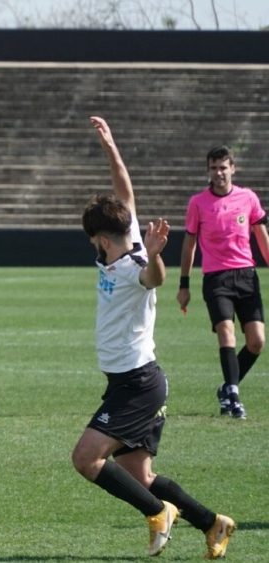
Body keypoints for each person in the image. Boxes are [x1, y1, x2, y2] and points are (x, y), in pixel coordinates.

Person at [71, 117, 234, 559]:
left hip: (138, 385)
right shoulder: (122, 235)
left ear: (103, 240)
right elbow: (124, 189)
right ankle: (213, 523)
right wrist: (110, 145)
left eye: (92, 239)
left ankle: (157, 513)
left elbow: (153, 278)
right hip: (134, 381)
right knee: (139, 476)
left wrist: (158, 255)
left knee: (86, 459)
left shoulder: (131, 267)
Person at [177, 145, 269, 420]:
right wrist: (184, 284)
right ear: (208, 171)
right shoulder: (198, 203)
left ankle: (227, 386)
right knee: (226, 332)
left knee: (256, 342)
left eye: (223, 167)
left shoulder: (248, 198)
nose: (219, 173)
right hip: (216, 279)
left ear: (232, 168)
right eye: (214, 168)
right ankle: (234, 395)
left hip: (246, 276)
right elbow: (189, 244)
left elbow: (262, 237)